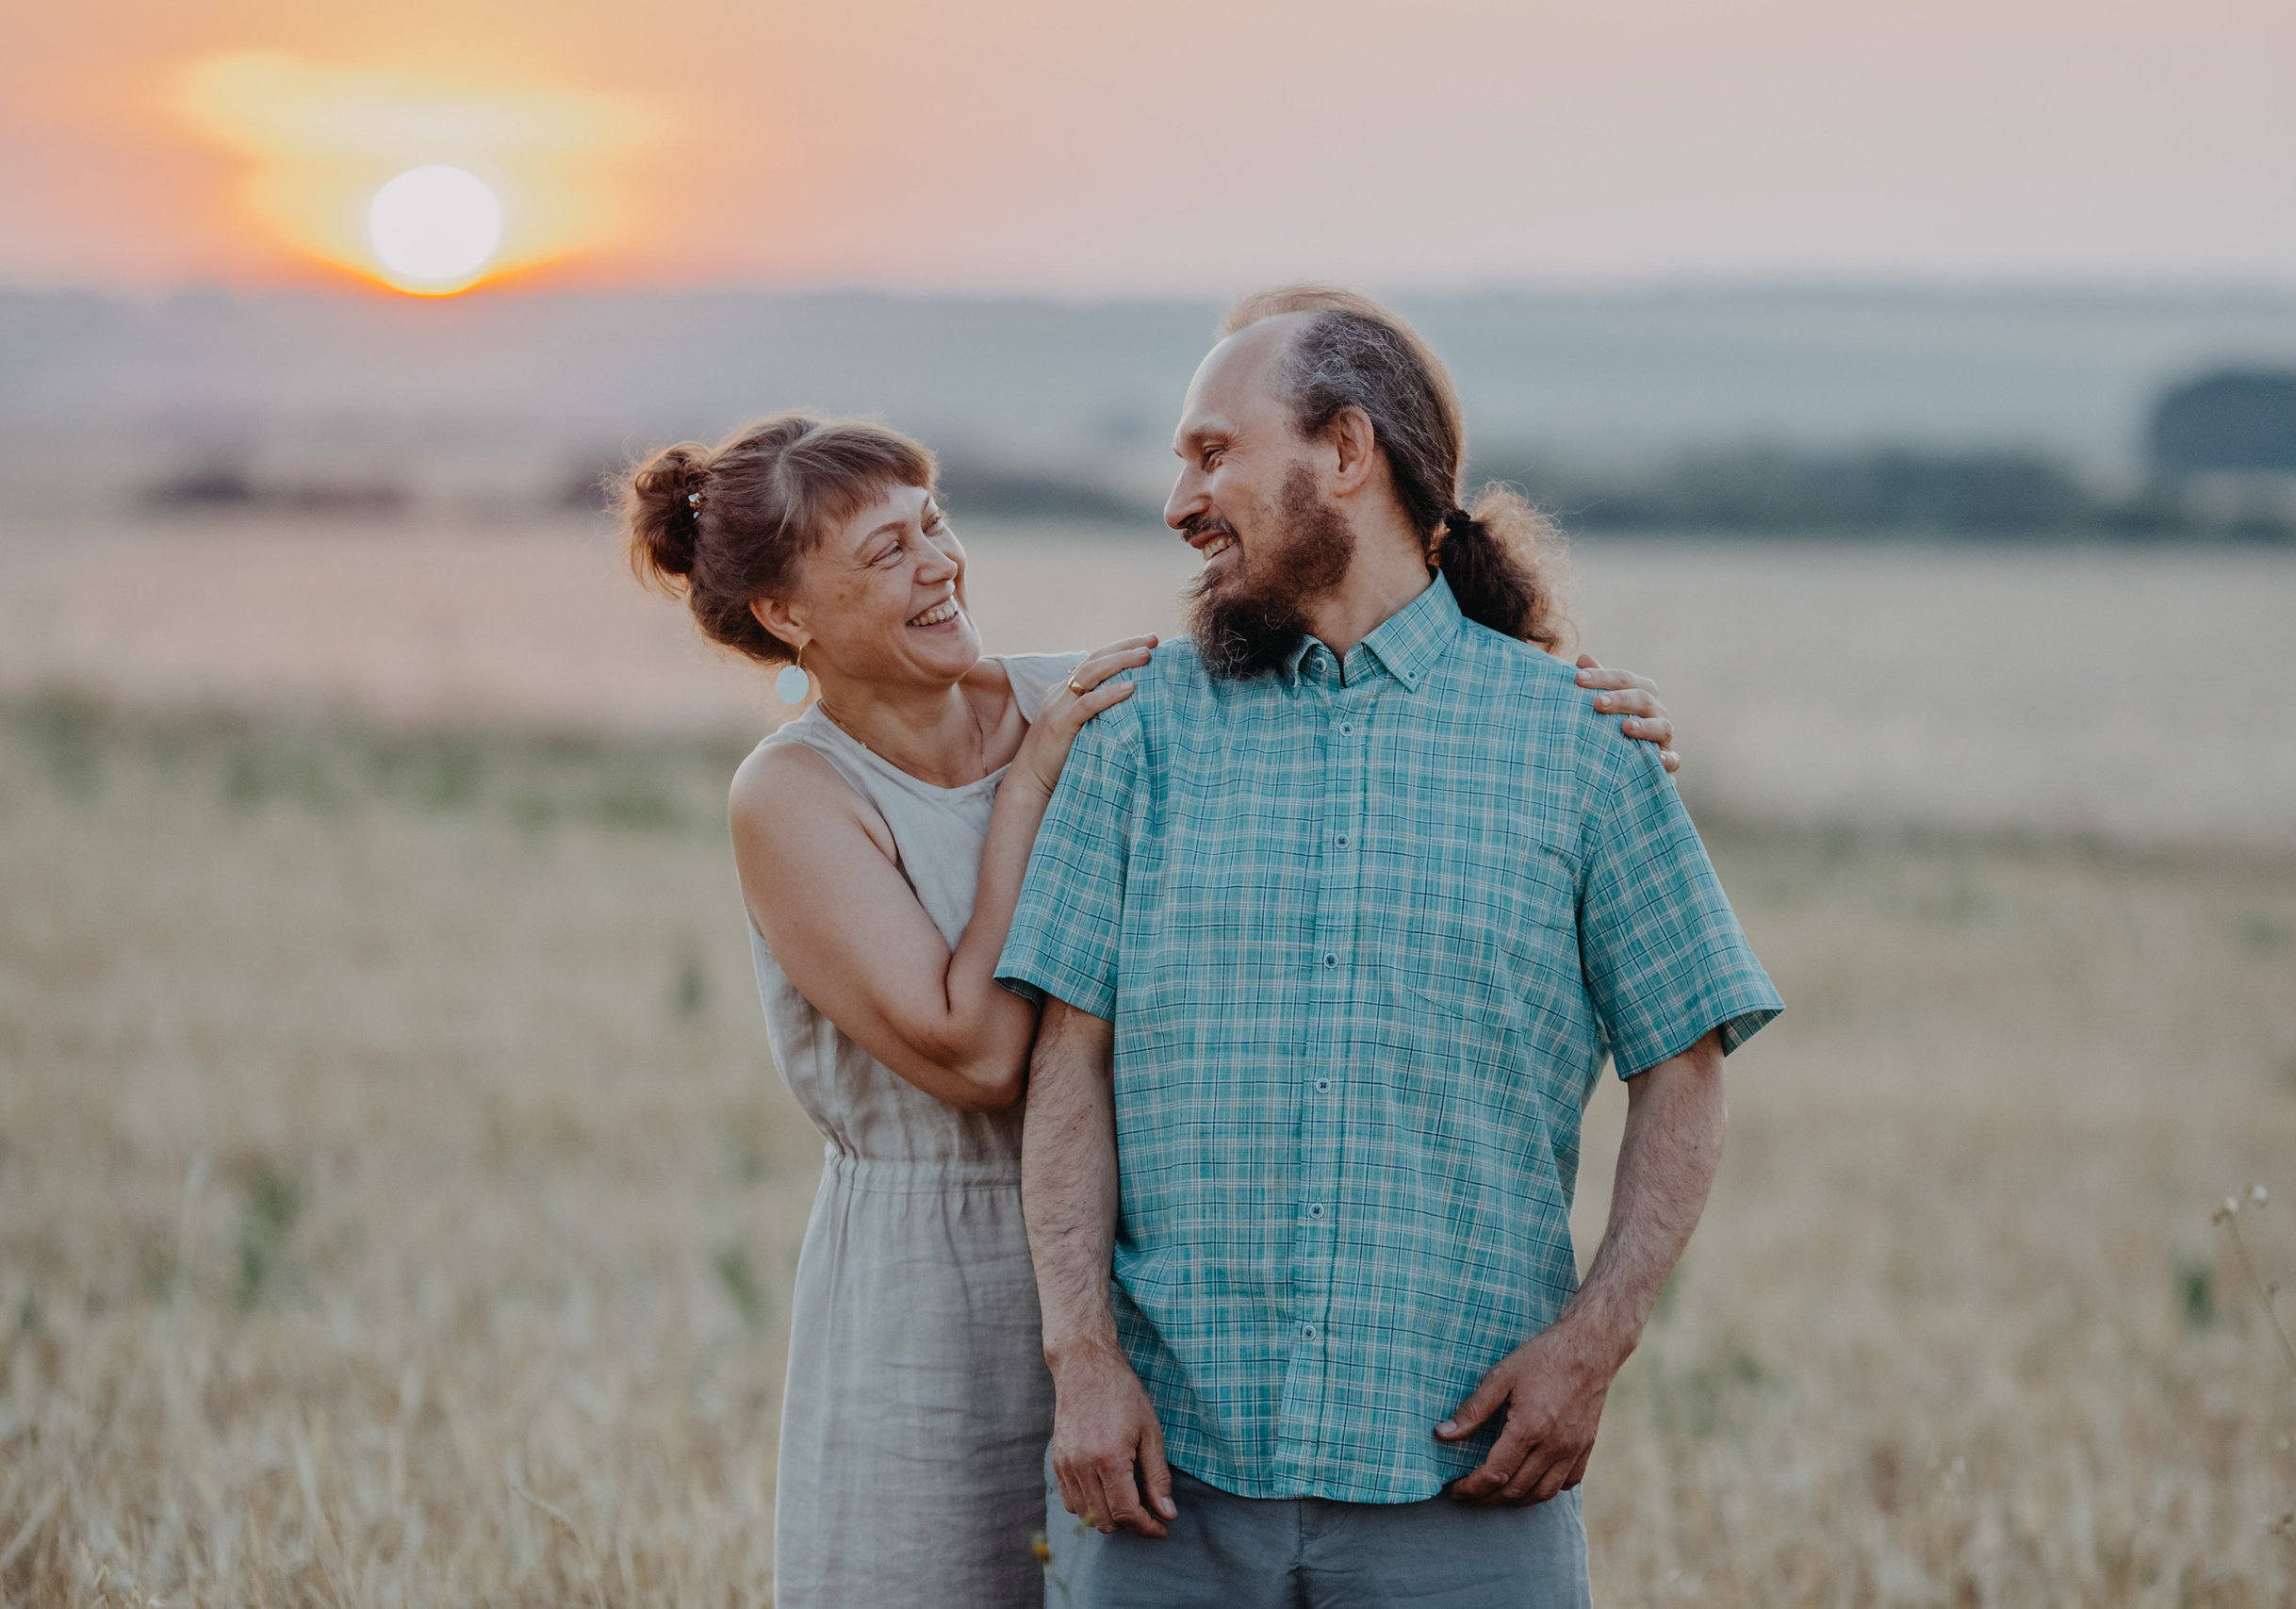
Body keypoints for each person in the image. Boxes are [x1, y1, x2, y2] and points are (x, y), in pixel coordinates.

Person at [616, 411, 1682, 1607]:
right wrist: (1032, 783)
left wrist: (1580, 712)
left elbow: (1348, 694)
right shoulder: (795, 792)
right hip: (935, 1284)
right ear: (786, 615)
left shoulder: (1091, 699)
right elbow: (975, 1053)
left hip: (1146, 1288)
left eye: (935, 523)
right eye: (884, 552)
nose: (939, 564)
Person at [1002, 287, 1785, 1609]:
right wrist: (1081, 1354)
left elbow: (1688, 1061)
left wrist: (1595, 1343)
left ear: (1347, 453)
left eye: (1211, 452)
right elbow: (1067, 1061)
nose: (1178, 499)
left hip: (1465, 1486)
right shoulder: (1137, 731)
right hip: (1167, 1481)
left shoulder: (1580, 746)